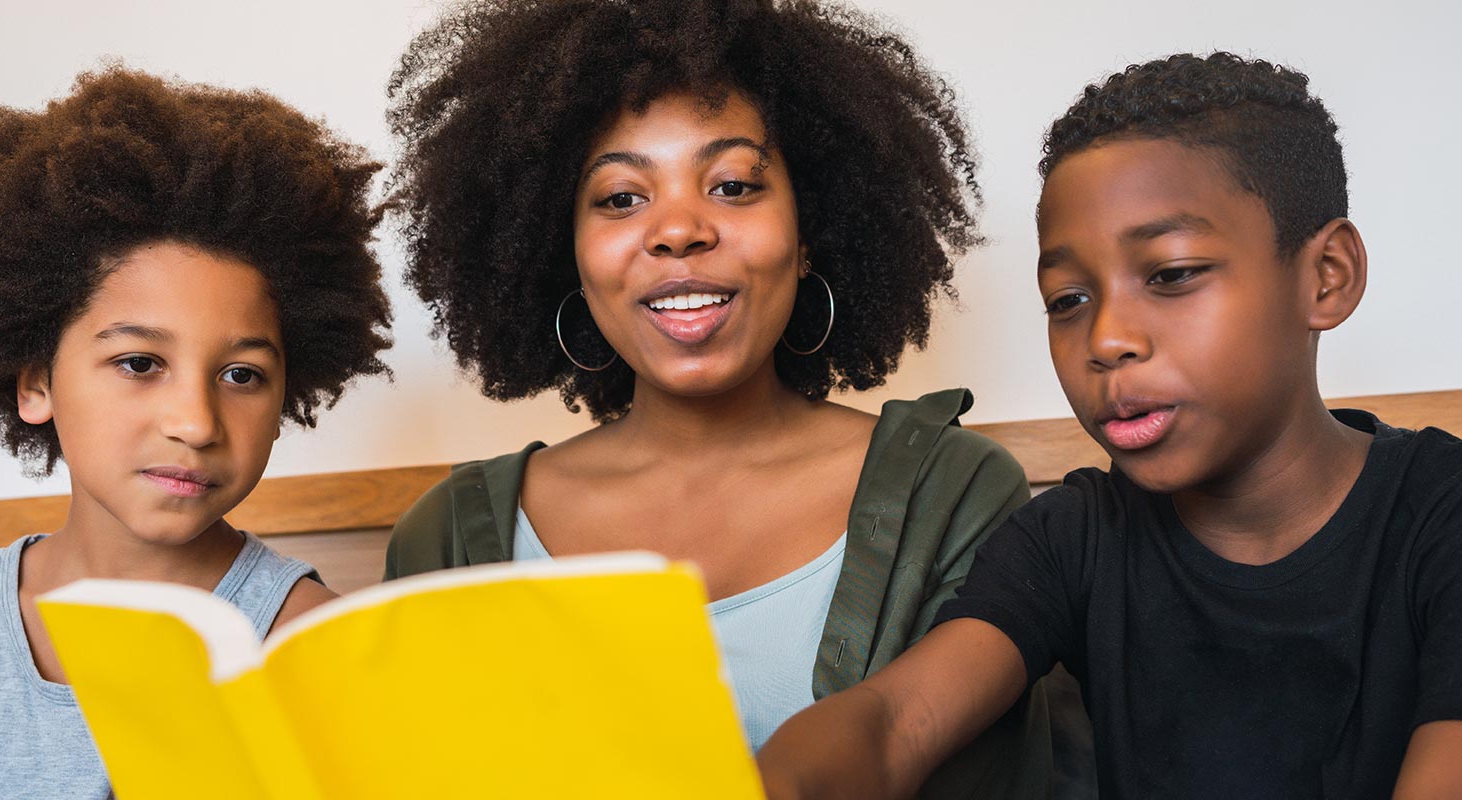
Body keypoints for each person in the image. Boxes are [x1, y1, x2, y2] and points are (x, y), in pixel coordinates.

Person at [757, 52, 1462, 798]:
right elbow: (894, 722)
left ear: (1327, 277)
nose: (1107, 340)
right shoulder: (1071, 538)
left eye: (1171, 274)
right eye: (1068, 300)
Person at [383, 0, 1051, 793]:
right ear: (563, 253)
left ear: (809, 236)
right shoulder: (448, 541)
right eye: (622, 198)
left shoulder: (956, 492)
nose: (678, 229)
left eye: (733, 185)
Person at [0, 67, 394, 799]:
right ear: (36, 382)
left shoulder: (316, 643)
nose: (195, 422)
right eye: (139, 362)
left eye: (242, 375)